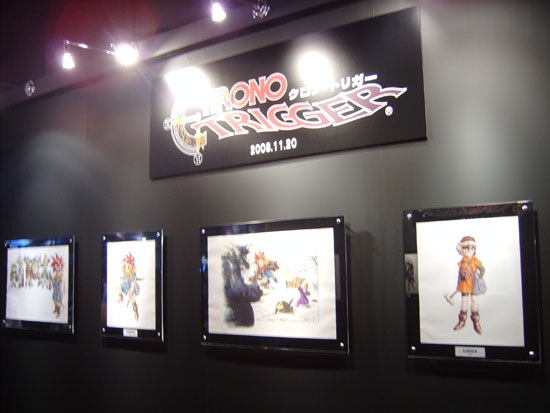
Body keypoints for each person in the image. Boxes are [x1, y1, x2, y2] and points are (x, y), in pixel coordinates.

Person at [453, 236, 486, 334]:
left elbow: (482, 269)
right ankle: (462, 321)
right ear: (462, 249)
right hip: (464, 284)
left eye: (472, 248)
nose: (469, 250)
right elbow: (460, 275)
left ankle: (476, 322)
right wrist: (458, 285)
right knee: (464, 301)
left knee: (474, 301)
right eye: (466, 248)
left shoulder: (475, 260)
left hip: (473, 284)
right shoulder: (462, 262)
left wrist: (479, 276)